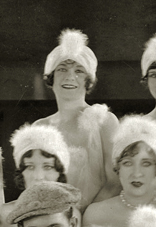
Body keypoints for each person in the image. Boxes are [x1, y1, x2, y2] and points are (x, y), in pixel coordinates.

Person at [34, 29, 120, 212]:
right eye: (62, 69)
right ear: (51, 77)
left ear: (88, 81)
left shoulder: (104, 121)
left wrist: (84, 217)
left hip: (94, 221)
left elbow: (115, 181)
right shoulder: (40, 127)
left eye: (79, 71)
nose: (70, 77)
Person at [84, 115, 156, 227]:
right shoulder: (95, 214)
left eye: (146, 163)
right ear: (118, 167)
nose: (137, 173)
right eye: (128, 163)